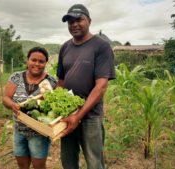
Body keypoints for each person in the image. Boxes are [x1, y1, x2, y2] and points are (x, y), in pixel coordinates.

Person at [57, 4, 116, 169]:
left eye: (79, 20)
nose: (74, 24)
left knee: (94, 162)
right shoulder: (65, 48)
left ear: (89, 21)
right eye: (70, 21)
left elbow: (101, 86)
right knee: (68, 159)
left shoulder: (101, 46)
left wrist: (79, 115)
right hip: (68, 114)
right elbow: (61, 82)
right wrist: (50, 108)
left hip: (91, 116)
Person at [3, 47, 56, 169]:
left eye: (41, 61)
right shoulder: (16, 77)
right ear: (28, 60)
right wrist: (12, 105)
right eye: (33, 60)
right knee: (22, 165)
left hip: (39, 134)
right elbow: (6, 98)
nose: (37, 64)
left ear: (45, 63)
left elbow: (54, 106)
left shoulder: (51, 81)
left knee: (39, 166)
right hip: (19, 131)